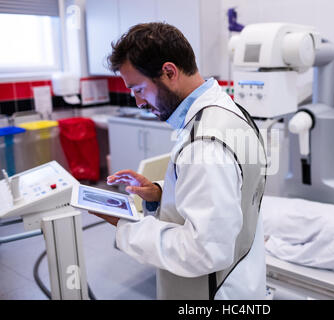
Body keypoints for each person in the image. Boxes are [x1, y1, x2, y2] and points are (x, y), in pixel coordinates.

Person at [92, 22, 267, 299]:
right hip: (242, 277)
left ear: (169, 72)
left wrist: (126, 225)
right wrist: (162, 193)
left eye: (138, 89)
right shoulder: (230, 111)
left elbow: (203, 251)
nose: (138, 102)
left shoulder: (205, 144)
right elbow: (230, 193)